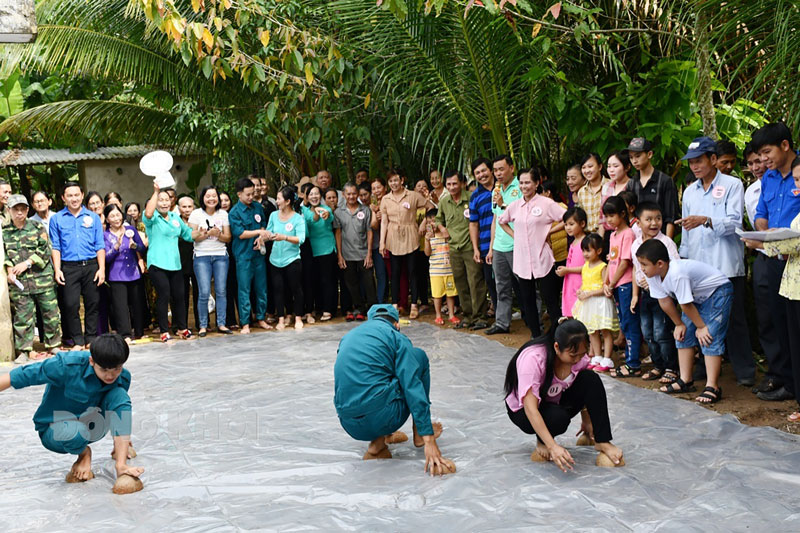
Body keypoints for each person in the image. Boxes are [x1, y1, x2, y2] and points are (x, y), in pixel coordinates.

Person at [0, 334, 144, 487]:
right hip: (56, 431)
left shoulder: (123, 377)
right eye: (104, 370)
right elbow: (18, 376)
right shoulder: (65, 366)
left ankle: (121, 464)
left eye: (116, 369)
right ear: (91, 361)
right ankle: (83, 454)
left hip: (94, 427)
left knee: (120, 395)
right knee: (75, 432)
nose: (110, 375)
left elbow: (118, 410)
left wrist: (121, 444)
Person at [333, 304, 451, 474]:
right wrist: (429, 440)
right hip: (380, 416)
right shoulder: (397, 337)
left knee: (376, 375)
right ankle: (418, 432)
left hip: (348, 422)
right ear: (397, 325)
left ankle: (380, 441)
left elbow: (356, 379)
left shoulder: (349, 337)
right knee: (418, 358)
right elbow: (412, 386)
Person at [677, 136, 754, 387]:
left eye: (699, 161)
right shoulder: (689, 191)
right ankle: (704, 367)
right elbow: (687, 232)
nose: (695, 166)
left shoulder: (732, 185)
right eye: (691, 163)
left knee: (735, 319)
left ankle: (745, 370)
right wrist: (684, 260)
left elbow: (734, 223)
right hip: (699, 267)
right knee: (700, 318)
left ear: (712, 159)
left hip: (726, 264)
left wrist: (706, 220)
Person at [504, 319, 623, 470]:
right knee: (558, 418)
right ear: (556, 347)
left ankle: (603, 441)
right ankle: (542, 440)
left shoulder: (579, 357)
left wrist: (587, 420)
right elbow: (530, 408)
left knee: (591, 378)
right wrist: (552, 446)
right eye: (573, 355)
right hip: (523, 411)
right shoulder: (534, 359)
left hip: (554, 399)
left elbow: (587, 388)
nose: (578, 359)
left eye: (582, 354)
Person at [636, 240, 733, 404]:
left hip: (717, 292)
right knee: (683, 335)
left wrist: (701, 327)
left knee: (709, 336)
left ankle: (713, 387)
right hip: (696, 298)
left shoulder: (677, 273)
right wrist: (679, 324)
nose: (641, 269)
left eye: (644, 264)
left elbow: (685, 304)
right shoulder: (653, 275)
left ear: (660, 263)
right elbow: (665, 302)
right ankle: (685, 380)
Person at [742, 156, 800, 422]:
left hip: (790, 273)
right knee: (784, 330)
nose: (796, 187)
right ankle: (790, 387)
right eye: (796, 181)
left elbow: (795, 244)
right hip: (791, 282)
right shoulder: (769, 183)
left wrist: (764, 244)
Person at [498, 168, 566, 337]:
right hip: (522, 262)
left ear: (536, 184)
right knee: (527, 301)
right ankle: (536, 335)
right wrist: (516, 236)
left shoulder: (546, 203)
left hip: (542, 258)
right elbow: (502, 221)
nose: (524, 186)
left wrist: (549, 232)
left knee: (550, 299)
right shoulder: (515, 205)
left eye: (528, 182)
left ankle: (558, 335)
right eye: (521, 182)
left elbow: (567, 217)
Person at [4, 194, 61, 362]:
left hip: (41, 278)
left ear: (28, 210)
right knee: (23, 317)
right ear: (9, 210)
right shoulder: (5, 232)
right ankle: (24, 350)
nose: (19, 213)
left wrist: (27, 263)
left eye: (23, 209)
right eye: (16, 209)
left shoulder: (37, 227)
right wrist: (9, 271)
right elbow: (5, 255)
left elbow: (45, 249)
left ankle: (53, 344)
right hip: (19, 283)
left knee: (50, 313)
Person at [49, 182, 105, 349]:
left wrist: (102, 269)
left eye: (76, 195)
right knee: (71, 305)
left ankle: (90, 338)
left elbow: (99, 245)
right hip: (69, 267)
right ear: (63, 198)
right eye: (69, 196)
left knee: (92, 303)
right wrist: (57, 269)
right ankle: (77, 340)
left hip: (91, 266)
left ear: (82, 195)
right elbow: (56, 246)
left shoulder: (93, 217)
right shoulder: (56, 219)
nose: (73, 198)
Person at [630, 202, 680, 383]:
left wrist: (656, 282)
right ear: (638, 222)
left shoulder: (666, 242)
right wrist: (636, 294)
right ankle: (658, 365)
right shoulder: (635, 244)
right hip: (646, 295)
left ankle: (671, 367)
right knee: (648, 332)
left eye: (658, 218)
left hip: (664, 295)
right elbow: (635, 269)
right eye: (648, 219)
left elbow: (675, 268)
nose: (654, 223)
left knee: (662, 332)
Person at [143, 182, 195, 342]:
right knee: (164, 295)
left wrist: (207, 233)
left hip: (175, 264)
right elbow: (149, 212)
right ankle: (164, 331)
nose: (164, 202)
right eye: (161, 200)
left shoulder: (175, 218)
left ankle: (182, 328)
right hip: (157, 264)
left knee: (179, 296)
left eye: (167, 200)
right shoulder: (152, 218)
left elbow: (189, 235)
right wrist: (156, 191)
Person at [436, 170, 488, 330]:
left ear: (462, 183)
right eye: (449, 184)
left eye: (454, 183)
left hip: (470, 247)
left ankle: (480, 317)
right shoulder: (444, 201)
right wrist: (441, 228)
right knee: (461, 282)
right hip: (453, 247)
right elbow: (438, 218)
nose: (452, 187)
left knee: (475, 281)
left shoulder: (471, 197)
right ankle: (468, 315)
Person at [379, 169, 431, 318]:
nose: (393, 183)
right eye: (390, 181)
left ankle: (414, 304)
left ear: (402, 180)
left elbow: (431, 208)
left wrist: (424, 223)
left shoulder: (413, 196)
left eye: (396, 180)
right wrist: (382, 242)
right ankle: (395, 305)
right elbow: (384, 221)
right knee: (394, 273)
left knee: (413, 272)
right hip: (393, 237)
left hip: (411, 235)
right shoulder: (386, 199)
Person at [601, 196, 642, 378]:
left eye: (612, 215)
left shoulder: (628, 234)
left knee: (629, 322)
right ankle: (630, 359)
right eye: (606, 216)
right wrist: (606, 283)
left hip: (625, 284)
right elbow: (611, 262)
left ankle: (633, 363)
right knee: (623, 322)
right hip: (616, 285)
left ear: (623, 214)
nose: (609, 220)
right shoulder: (613, 235)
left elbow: (625, 262)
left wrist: (612, 282)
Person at [188, 186, 233, 337]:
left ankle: (221, 323)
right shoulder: (195, 214)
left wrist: (218, 234)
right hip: (201, 256)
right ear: (203, 198)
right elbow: (192, 236)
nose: (211, 199)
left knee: (221, 291)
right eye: (208, 196)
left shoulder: (223, 214)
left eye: (214, 196)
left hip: (220, 255)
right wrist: (206, 234)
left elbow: (228, 238)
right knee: (204, 292)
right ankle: (203, 325)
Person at [228, 177, 271, 335]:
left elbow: (263, 225)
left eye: (253, 193)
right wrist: (258, 232)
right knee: (244, 289)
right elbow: (240, 233)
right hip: (243, 255)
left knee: (261, 287)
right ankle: (245, 322)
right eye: (247, 194)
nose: (251, 197)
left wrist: (262, 236)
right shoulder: (234, 212)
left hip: (258, 254)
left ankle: (261, 317)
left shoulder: (258, 207)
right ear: (239, 194)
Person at [572, 233, 618, 371]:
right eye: (584, 250)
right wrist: (581, 291)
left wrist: (590, 293)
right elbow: (585, 282)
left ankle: (607, 358)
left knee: (605, 330)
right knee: (592, 331)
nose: (585, 254)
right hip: (588, 302)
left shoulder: (603, 266)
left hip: (600, 302)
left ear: (598, 251)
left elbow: (605, 287)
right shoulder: (585, 266)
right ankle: (597, 356)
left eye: (589, 250)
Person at [488, 155, 523, 335]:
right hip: (499, 247)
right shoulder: (496, 189)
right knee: (501, 286)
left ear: (511, 168)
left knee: (525, 284)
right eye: (495, 170)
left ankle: (534, 319)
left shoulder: (521, 187)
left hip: (517, 245)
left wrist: (503, 204)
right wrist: (491, 247)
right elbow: (496, 219)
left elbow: (522, 215)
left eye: (501, 169)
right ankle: (502, 323)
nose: (498, 173)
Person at [104, 203, 146, 342]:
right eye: (112, 216)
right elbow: (106, 258)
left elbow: (142, 249)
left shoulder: (130, 230)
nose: (116, 218)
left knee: (137, 303)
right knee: (120, 306)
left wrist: (135, 246)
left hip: (133, 272)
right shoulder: (105, 235)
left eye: (118, 215)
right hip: (116, 275)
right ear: (107, 219)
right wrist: (116, 247)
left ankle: (139, 331)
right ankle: (125, 334)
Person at [334, 182, 376, 321]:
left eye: (353, 193)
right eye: (348, 194)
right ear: (344, 195)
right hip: (347, 254)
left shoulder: (365, 210)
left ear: (357, 194)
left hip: (363, 253)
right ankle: (359, 308)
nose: (351, 196)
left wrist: (369, 253)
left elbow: (369, 231)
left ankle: (373, 309)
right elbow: (338, 233)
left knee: (369, 283)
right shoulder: (339, 212)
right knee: (351, 284)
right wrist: (340, 255)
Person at [268, 186, 307, 331]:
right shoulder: (273, 215)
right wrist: (263, 237)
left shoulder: (297, 218)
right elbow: (269, 231)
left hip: (292, 259)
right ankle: (281, 318)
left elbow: (301, 238)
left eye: (279, 199)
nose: (277, 201)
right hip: (275, 260)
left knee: (295, 288)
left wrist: (284, 237)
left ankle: (298, 317)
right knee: (278, 289)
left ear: (288, 201)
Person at [625, 137, 680, 238]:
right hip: (638, 239)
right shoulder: (631, 184)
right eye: (631, 157)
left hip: (660, 237)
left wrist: (667, 243)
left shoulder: (664, 181)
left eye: (638, 156)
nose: (634, 161)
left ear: (649, 154)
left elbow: (671, 217)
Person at [303, 185, 338, 321]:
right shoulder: (304, 211)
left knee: (327, 280)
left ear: (321, 196)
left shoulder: (327, 209)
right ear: (307, 197)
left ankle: (328, 309)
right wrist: (315, 213)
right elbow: (312, 219)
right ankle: (319, 307)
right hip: (311, 251)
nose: (314, 197)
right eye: (311, 194)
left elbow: (326, 217)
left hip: (326, 250)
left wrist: (323, 213)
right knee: (315, 281)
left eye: (316, 194)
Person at [468, 157, 498, 315]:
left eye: (483, 170)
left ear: (491, 170)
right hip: (486, 247)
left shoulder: (503, 188)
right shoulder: (475, 196)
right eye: (477, 173)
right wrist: (476, 248)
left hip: (509, 243)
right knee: (491, 282)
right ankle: (500, 318)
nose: (481, 175)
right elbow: (473, 224)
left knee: (515, 281)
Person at [423, 208, 459, 326]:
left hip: (449, 269)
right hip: (435, 271)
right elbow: (427, 253)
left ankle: (451, 315)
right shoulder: (429, 237)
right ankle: (438, 315)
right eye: (429, 222)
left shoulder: (446, 233)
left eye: (434, 221)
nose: (432, 224)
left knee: (450, 293)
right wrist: (427, 240)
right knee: (437, 295)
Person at [556, 207, 587, 319]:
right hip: (570, 281)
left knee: (581, 313)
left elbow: (588, 267)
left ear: (582, 223)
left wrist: (567, 270)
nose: (568, 228)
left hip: (581, 282)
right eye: (566, 225)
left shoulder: (585, 242)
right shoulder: (573, 242)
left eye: (571, 224)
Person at [177, 195, 199, 332]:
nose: (187, 210)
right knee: (181, 296)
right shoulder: (174, 222)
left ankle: (202, 324)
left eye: (189, 206)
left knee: (200, 294)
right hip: (180, 263)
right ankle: (181, 325)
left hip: (198, 262)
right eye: (184, 207)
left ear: (194, 208)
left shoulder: (199, 220)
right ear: (179, 208)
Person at [219, 191, 239, 329]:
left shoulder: (234, 215)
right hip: (220, 256)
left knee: (239, 286)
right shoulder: (214, 217)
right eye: (221, 200)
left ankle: (246, 318)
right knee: (225, 289)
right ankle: (229, 320)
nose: (224, 203)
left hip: (236, 255)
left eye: (227, 199)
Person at [576, 153, 608, 235]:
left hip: (608, 234)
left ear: (600, 167)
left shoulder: (611, 185)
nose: (587, 171)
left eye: (590, 166)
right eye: (583, 168)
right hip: (589, 237)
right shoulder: (581, 192)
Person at [540, 181, 569, 267]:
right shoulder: (539, 208)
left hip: (561, 251)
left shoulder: (561, 206)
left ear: (548, 193)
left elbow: (568, 220)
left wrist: (549, 232)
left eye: (540, 192)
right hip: (548, 253)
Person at [369, 178, 389, 303]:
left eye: (379, 187)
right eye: (374, 188)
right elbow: (374, 225)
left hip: (393, 243)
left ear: (385, 188)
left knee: (392, 274)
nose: (377, 191)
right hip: (377, 245)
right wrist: (373, 211)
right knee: (381, 274)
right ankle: (381, 301)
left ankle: (396, 302)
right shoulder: (371, 205)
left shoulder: (390, 201)